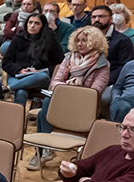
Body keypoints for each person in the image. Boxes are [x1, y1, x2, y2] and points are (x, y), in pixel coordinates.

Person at [29, 26, 110, 170]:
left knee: (44, 111)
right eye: (77, 40)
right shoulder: (68, 58)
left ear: (94, 42)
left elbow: (95, 91)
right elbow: (55, 82)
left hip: (84, 106)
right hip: (63, 102)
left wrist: (69, 90)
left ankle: (42, 151)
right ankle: (45, 150)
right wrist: (68, 89)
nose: (79, 44)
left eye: (84, 40)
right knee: (46, 104)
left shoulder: (102, 65)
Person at [1, 14, 62, 107]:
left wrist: (42, 70)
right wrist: (19, 70)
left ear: (42, 26)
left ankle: (8, 88)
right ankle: (18, 119)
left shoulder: (50, 39)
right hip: (19, 74)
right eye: (30, 22)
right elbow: (6, 62)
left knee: (43, 76)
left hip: (39, 77)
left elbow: (60, 62)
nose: (32, 25)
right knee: (21, 91)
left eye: (36, 23)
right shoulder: (19, 38)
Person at [88, 4, 134, 86]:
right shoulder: (85, 38)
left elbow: (124, 67)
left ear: (111, 19)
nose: (97, 19)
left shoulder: (123, 40)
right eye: (94, 17)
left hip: (109, 82)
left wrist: (101, 81)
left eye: (101, 16)